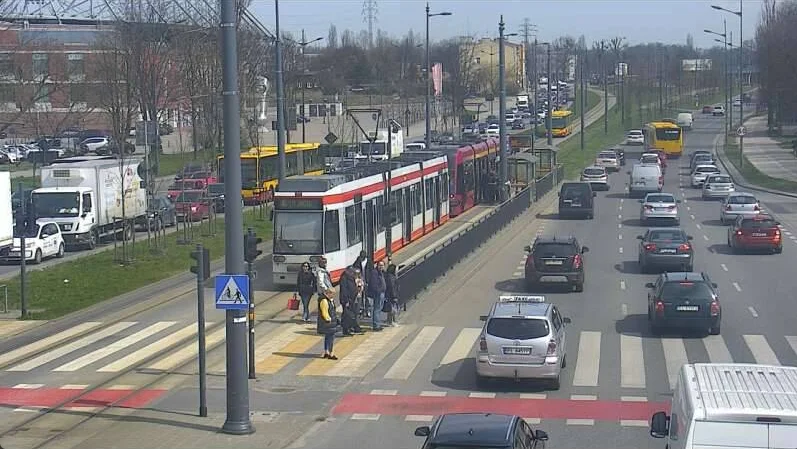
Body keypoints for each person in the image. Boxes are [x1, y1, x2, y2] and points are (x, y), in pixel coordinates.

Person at [317, 292, 338, 360]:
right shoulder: (324, 301)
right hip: (328, 323)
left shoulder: (329, 300)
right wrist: (329, 319)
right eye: (332, 294)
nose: (333, 296)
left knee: (327, 337)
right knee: (331, 338)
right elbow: (325, 312)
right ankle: (331, 353)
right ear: (328, 294)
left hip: (329, 323)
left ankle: (326, 352)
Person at [338, 267, 360, 336]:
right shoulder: (344, 278)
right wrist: (346, 300)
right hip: (347, 300)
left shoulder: (351, 277)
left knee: (351, 314)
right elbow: (344, 290)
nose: (352, 273)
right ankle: (346, 329)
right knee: (346, 315)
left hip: (352, 299)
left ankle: (350, 328)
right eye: (351, 272)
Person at [367, 260, 387, 331]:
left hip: (382, 293)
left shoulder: (382, 273)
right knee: (377, 309)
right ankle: (376, 325)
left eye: (382, 265)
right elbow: (373, 284)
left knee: (379, 309)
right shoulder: (374, 273)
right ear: (377, 266)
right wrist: (378, 291)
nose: (381, 267)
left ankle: (378, 323)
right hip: (378, 294)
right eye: (380, 265)